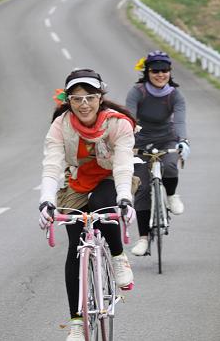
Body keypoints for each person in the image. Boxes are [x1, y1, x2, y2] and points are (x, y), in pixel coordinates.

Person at [39, 68, 137, 341]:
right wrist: (45, 201)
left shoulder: (118, 123)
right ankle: (76, 323)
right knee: (75, 244)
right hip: (78, 181)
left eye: (90, 97)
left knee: (102, 208)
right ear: (68, 100)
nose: (84, 104)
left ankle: (117, 257)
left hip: (111, 179)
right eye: (77, 98)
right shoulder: (61, 124)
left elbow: (123, 165)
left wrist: (125, 198)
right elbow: (52, 164)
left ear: (100, 98)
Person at [125, 51, 190, 256]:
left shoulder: (175, 94)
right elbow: (129, 118)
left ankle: (171, 195)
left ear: (170, 72)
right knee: (142, 189)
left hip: (167, 139)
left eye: (165, 70)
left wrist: (183, 141)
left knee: (171, 166)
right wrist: (127, 142)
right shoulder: (137, 92)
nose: (160, 74)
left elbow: (179, 120)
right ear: (148, 72)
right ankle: (143, 239)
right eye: (155, 70)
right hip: (140, 142)